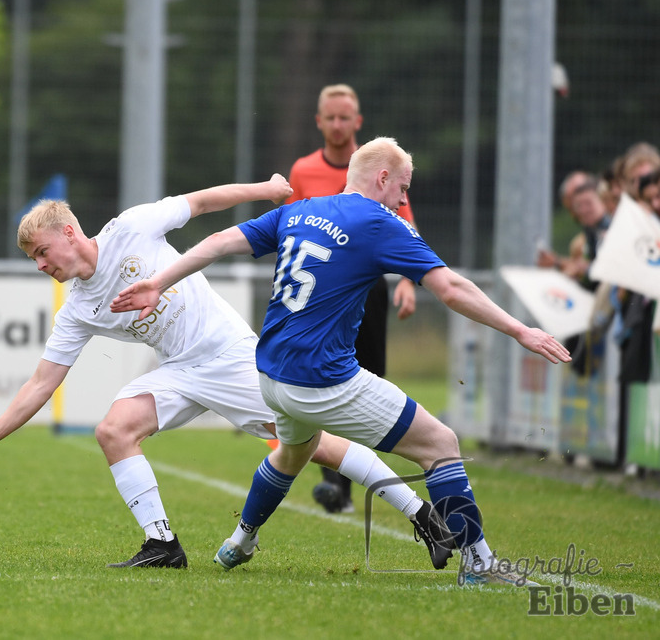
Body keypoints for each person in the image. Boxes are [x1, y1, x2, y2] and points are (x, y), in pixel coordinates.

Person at [111, 137, 571, 586]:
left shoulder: (300, 210)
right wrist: (520, 329)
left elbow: (216, 242)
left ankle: (241, 540)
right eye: (403, 189)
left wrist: (158, 282)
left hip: (269, 374)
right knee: (441, 443)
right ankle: (481, 564)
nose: (403, 200)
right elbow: (450, 288)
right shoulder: (378, 222)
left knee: (293, 454)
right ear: (383, 178)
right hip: (320, 379)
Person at [0, 175, 453, 570]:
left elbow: (203, 202)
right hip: (180, 371)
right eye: (34, 259)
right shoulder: (77, 307)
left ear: (69, 232)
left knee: (312, 446)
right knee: (114, 430)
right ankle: (161, 543)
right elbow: (42, 382)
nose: (40, 265)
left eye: (40, 253)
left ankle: (421, 514)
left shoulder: (131, 227)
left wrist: (268, 191)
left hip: (230, 357)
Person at [287, 83, 417, 514]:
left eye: (346, 117)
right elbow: (295, 230)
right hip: (324, 295)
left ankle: (349, 481)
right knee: (319, 378)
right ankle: (336, 486)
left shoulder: (383, 168)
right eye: (332, 117)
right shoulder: (303, 170)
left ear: (357, 122)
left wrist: (404, 281)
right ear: (319, 121)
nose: (339, 124)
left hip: (369, 290)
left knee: (367, 381)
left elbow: (404, 227)